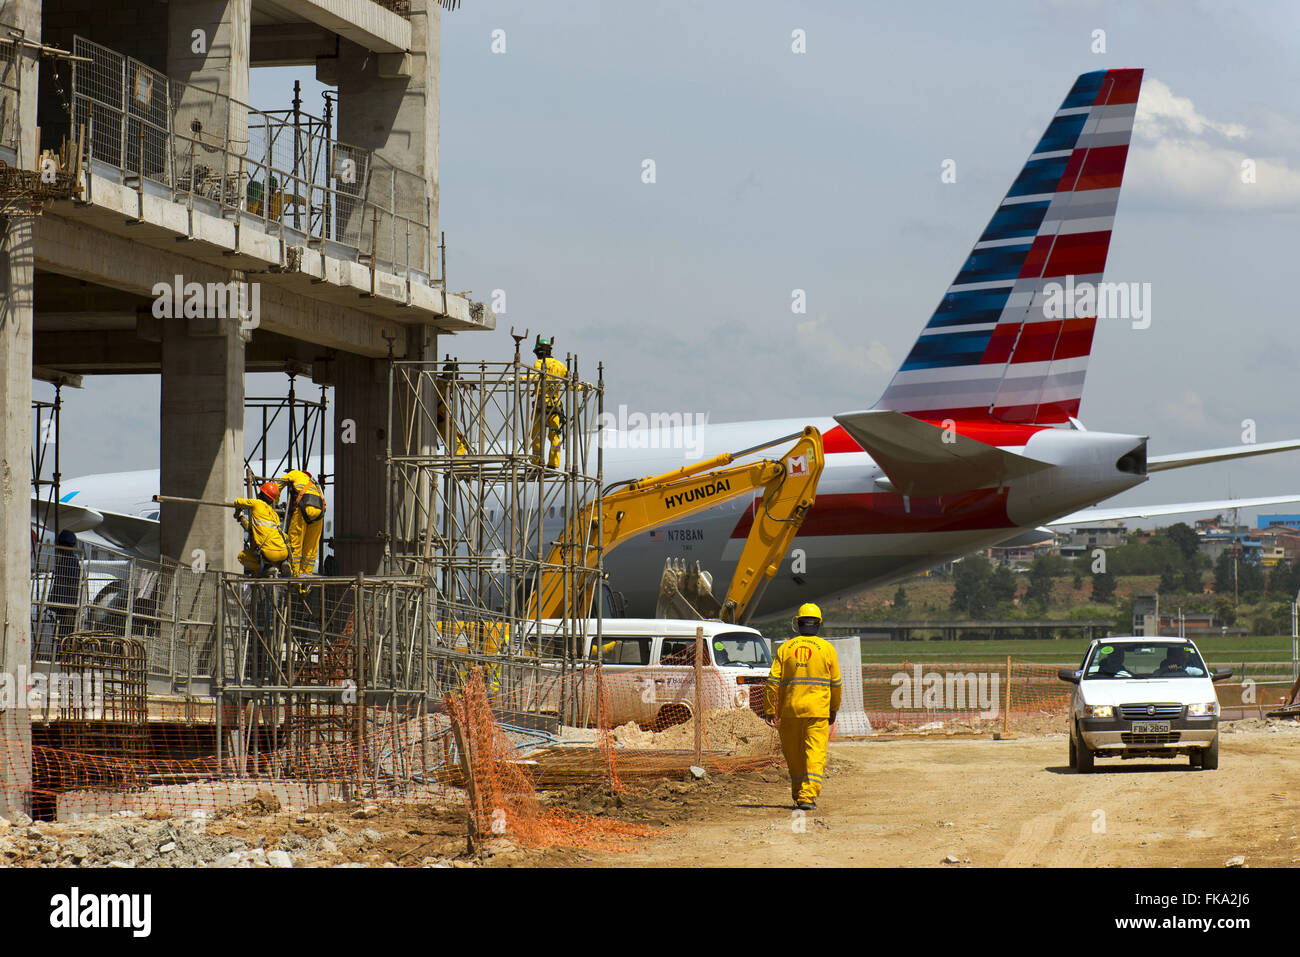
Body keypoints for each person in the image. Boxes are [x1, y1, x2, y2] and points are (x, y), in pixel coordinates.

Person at [763, 602, 842, 811]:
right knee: (814, 754)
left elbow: (772, 682)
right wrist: (833, 708)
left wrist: (769, 708)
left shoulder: (785, 648)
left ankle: (799, 794)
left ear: (797, 624)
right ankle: (807, 796)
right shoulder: (827, 649)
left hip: (789, 712)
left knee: (794, 756)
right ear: (819, 624)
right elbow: (836, 684)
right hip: (817, 712)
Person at [276, 468, 326, 577]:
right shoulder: (314, 483)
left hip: (304, 507)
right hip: (320, 512)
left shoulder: (294, 473)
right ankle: (306, 578)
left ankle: (295, 575)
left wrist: (274, 502)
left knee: (295, 542)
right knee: (311, 548)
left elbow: (278, 485)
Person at [234, 481, 290, 576]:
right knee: (274, 553)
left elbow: (237, 501)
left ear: (262, 494)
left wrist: (238, 511)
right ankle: (281, 564)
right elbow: (252, 529)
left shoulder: (257, 503)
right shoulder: (274, 514)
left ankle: (267, 569)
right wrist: (241, 518)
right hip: (284, 552)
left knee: (241, 557)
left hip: (269, 553)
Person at [529, 335, 567, 468]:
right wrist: (581, 386)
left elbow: (533, 377)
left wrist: (516, 378)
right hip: (555, 406)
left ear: (539, 352)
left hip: (541, 405)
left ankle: (536, 463)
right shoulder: (561, 366)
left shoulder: (539, 364)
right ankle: (553, 463)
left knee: (537, 437)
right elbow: (570, 384)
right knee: (555, 436)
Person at [51, 529, 82, 639]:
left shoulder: (66, 562)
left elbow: (62, 585)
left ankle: (61, 655)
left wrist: (53, 602)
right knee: (64, 636)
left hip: (66, 607)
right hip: (69, 607)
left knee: (63, 637)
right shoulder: (73, 561)